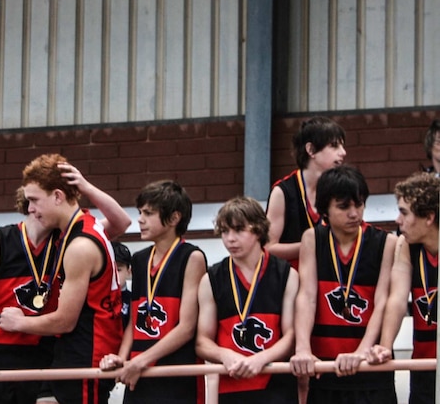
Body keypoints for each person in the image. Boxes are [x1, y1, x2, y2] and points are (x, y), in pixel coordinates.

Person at [0, 161, 130, 404]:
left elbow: (121, 222)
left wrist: (83, 186)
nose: (34, 209)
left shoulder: (67, 237)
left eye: (37, 201)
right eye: (30, 203)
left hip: (43, 348)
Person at [0, 154, 124, 404]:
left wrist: (20, 323)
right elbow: (122, 221)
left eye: (34, 200)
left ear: (57, 196)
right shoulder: (85, 225)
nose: (30, 208)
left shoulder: (80, 245)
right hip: (74, 351)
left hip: (87, 355)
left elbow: (65, 321)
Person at [289, 165, 397, 404]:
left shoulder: (386, 242)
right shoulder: (312, 238)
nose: (354, 213)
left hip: (369, 366)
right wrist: (303, 348)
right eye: (344, 206)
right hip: (325, 365)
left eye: (359, 204)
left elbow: (382, 303)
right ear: (324, 208)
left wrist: (361, 352)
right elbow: (307, 296)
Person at [100, 180, 207, 404]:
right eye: (140, 212)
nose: (140, 219)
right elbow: (134, 322)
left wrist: (141, 361)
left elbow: (187, 327)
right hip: (138, 370)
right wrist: (122, 358)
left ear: (174, 218)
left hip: (175, 372)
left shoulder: (192, 257)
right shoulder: (139, 260)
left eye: (148, 213)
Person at [196, 197, 298, 404]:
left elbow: (291, 336)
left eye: (239, 230)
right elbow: (202, 341)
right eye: (225, 231)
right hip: (231, 387)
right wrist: (225, 354)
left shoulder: (286, 274)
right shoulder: (211, 279)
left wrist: (261, 359)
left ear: (259, 230)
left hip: (276, 385)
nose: (230, 239)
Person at [368, 172, 440, 404]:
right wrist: (385, 346)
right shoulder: (407, 246)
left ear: (429, 217)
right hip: (423, 366)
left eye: (404, 212)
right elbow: (397, 300)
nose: (397, 220)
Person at [266, 117, 347, 268]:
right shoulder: (282, 192)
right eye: (334, 146)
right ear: (311, 150)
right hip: (292, 280)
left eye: (342, 146)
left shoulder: (340, 189)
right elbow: (268, 248)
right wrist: (314, 245)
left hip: (329, 278)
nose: (343, 152)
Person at [112, 241, 132, 329]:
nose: (114, 275)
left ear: (129, 271)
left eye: (118, 270)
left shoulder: (133, 299)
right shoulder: (94, 299)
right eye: (110, 270)